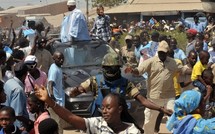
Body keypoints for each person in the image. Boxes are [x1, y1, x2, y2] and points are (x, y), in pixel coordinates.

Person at [69, 53, 172, 118]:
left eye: (113, 68)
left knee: (137, 129)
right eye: (108, 68)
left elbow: (143, 100)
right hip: (98, 118)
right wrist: (75, 91)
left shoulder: (125, 83)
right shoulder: (95, 81)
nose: (110, 71)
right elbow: (79, 89)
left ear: (118, 68)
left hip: (118, 119)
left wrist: (161, 109)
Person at [125, 41, 191, 134]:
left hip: (169, 96)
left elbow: (184, 70)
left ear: (167, 53)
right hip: (154, 97)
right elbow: (139, 71)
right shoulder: (151, 61)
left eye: (163, 52)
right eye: (160, 52)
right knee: (149, 122)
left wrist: (196, 71)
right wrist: (132, 70)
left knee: (174, 119)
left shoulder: (173, 62)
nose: (161, 54)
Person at [35, 85, 144, 133]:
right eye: (103, 108)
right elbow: (70, 117)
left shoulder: (133, 131)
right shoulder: (98, 124)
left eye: (108, 108)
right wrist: (49, 101)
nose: (104, 111)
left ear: (120, 109)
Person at [47, 51, 65, 134]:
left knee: (60, 123)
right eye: (59, 58)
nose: (61, 60)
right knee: (57, 124)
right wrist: (51, 96)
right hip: (56, 101)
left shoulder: (58, 67)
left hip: (59, 100)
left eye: (62, 58)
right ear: (54, 58)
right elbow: (50, 83)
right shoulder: (54, 69)